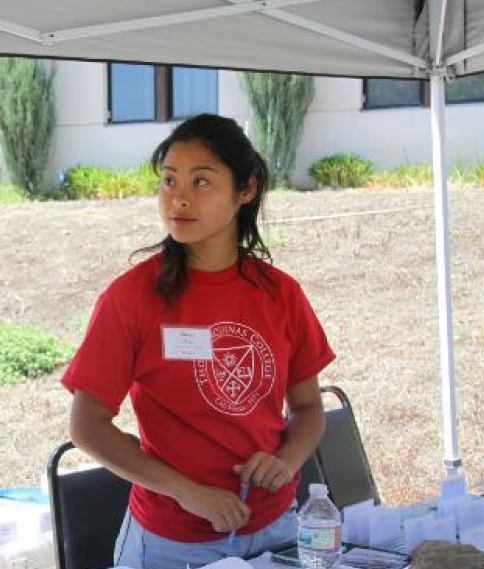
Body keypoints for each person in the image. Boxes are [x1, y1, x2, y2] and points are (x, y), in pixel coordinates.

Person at [61, 114, 335, 569]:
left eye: (201, 181)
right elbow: (88, 426)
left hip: (277, 529)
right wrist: (186, 492)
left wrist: (287, 460)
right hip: (172, 544)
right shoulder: (131, 297)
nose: (179, 198)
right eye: (168, 180)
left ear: (245, 190)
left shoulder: (280, 294)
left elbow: (308, 408)